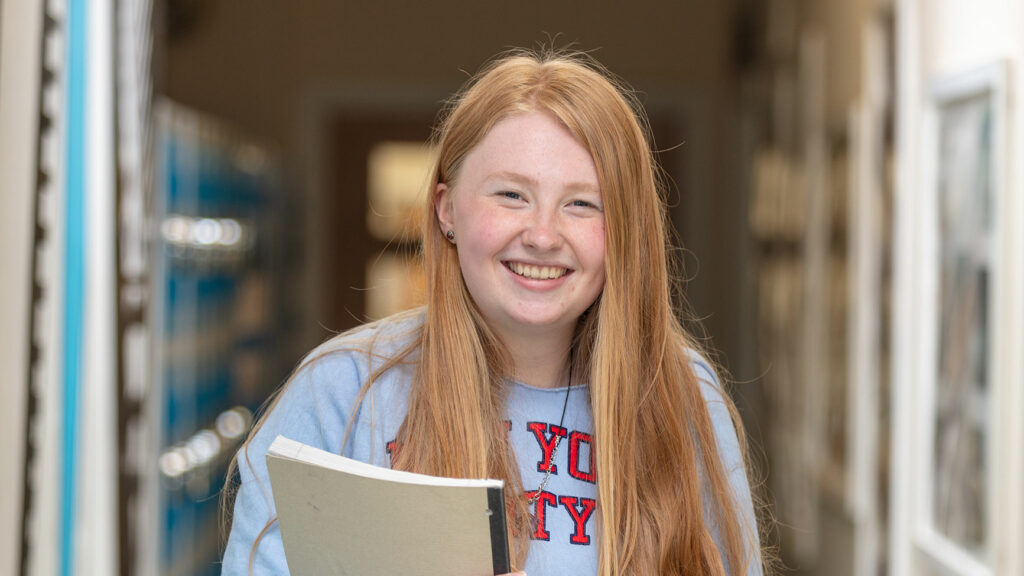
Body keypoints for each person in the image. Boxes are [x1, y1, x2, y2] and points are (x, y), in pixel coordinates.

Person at [221, 48, 764, 576]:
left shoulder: (681, 396)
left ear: (624, 232)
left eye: (582, 203)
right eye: (510, 195)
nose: (543, 235)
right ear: (447, 210)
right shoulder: (342, 392)